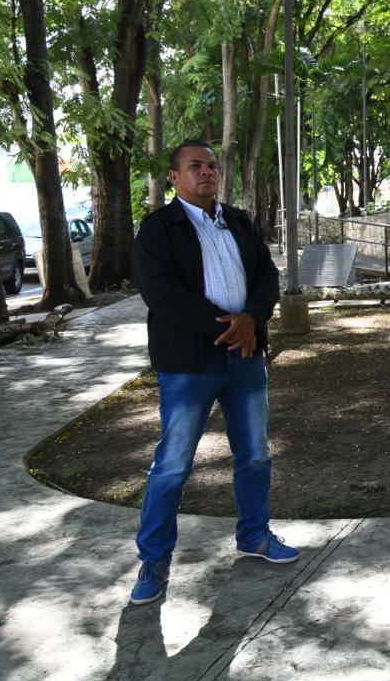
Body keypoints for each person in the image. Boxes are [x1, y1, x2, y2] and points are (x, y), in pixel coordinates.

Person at [127, 140, 297, 606]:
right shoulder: (159, 229)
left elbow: (267, 278)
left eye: (212, 167)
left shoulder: (238, 221)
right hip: (188, 363)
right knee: (174, 464)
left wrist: (253, 319)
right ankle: (154, 563)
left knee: (256, 455)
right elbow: (161, 294)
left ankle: (255, 536)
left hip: (245, 357)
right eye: (195, 167)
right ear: (174, 178)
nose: (206, 173)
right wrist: (230, 327)